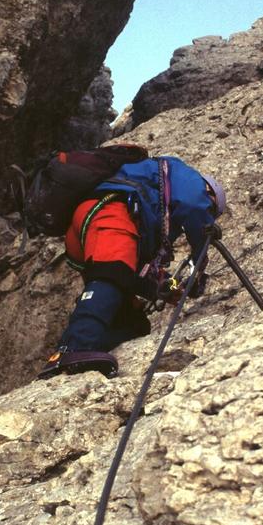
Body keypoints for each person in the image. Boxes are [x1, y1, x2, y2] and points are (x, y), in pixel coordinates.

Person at [38, 155, 226, 379]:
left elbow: (140, 272)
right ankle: (73, 350)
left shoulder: (155, 220)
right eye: (211, 208)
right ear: (210, 191)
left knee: (131, 318)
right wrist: (200, 255)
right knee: (112, 276)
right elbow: (196, 204)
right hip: (110, 210)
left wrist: (172, 288)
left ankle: (95, 348)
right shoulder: (187, 177)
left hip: (87, 227)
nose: (208, 212)